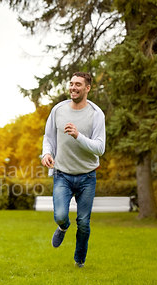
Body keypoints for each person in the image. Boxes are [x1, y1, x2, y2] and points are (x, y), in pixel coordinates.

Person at [41, 72, 106, 268]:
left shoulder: (96, 114)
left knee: (84, 223)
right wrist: (45, 154)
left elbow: (100, 148)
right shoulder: (58, 110)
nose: (73, 87)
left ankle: (79, 260)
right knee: (60, 215)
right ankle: (63, 227)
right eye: (71, 83)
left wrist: (78, 135)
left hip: (87, 176)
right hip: (62, 174)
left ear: (87, 88)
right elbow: (48, 137)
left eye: (78, 84)